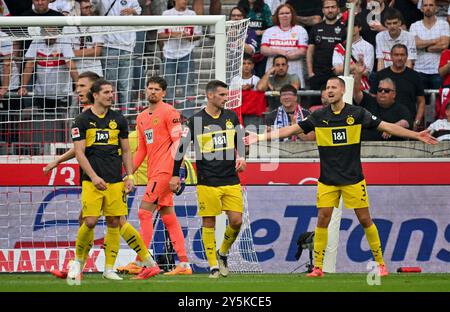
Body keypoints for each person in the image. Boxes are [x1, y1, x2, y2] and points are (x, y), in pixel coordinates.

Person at [246, 76, 438, 277]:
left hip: (353, 179)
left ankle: (381, 264)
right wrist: (259, 137)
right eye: (327, 87)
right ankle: (318, 268)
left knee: (364, 219)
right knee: (322, 219)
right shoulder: (319, 116)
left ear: (342, 91)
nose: (329, 90)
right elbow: (290, 129)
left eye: (333, 87)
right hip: (327, 180)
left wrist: (416, 135)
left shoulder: (357, 114)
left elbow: (387, 126)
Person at [68, 79, 160, 281]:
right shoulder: (82, 121)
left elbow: (126, 150)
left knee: (114, 221)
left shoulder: (118, 119)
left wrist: (129, 175)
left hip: (115, 180)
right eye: (107, 92)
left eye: (112, 92)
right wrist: (93, 176)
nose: (111, 95)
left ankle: (109, 269)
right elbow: (79, 153)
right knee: (89, 221)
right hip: (91, 180)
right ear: (96, 95)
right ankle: (77, 262)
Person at [169, 80, 246, 279]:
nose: (225, 98)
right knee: (209, 222)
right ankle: (213, 266)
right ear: (210, 95)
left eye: (226, 94)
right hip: (207, 180)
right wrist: (175, 174)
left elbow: (240, 138)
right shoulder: (195, 121)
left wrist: (243, 156)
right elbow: (181, 149)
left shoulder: (231, 116)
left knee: (236, 221)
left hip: (230, 178)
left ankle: (223, 253)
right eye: (221, 95)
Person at [118, 76, 192, 276]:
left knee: (144, 213)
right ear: (145, 90)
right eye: (150, 88)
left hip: (166, 171)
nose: (152, 92)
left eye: (157, 89)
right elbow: (142, 150)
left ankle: (141, 261)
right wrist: (129, 174)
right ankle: (184, 264)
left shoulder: (170, 112)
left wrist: (177, 173)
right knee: (168, 216)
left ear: (164, 93)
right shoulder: (142, 117)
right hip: (154, 172)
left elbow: (180, 142)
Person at [261, 3, 308, 88]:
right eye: (281, 13)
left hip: (295, 73)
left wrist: (281, 57)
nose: (285, 16)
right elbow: (263, 50)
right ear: (277, 16)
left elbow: (302, 51)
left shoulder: (300, 30)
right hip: (273, 76)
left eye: (287, 13)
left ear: (292, 15)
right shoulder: (269, 31)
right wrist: (279, 51)